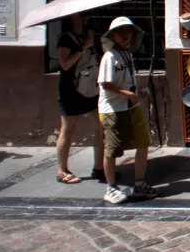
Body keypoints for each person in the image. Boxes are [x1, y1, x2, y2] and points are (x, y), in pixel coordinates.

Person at [96, 17, 157, 204]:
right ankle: (111, 188)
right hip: (113, 109)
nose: (125, 35)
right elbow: (105, 84)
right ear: (113, 35)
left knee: (142, 143)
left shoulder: (128, 55)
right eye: (120, 32)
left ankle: (139, 183)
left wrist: (139, 92)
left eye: (128, 31)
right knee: (112, 150)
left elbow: (129, 80)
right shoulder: (109, 57)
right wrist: (127, 94)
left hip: (131, 107)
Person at [54, 13, 105, 184]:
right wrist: (84, 47)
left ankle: (99, 167)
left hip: (89, 86)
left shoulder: (87, 35)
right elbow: (65, 64)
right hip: (71, 89)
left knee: (102, 123)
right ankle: (62, 170)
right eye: (81, 15)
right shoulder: (65, 38)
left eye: (86, 15)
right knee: (68, 129)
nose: (86, 18)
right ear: (71, 18)